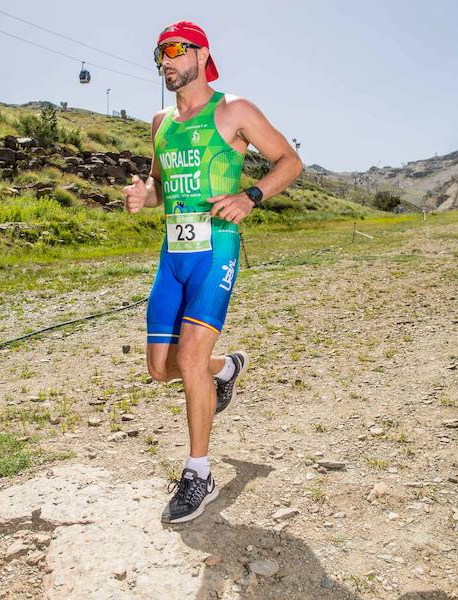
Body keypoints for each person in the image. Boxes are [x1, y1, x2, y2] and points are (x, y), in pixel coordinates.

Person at [123, 21, 303, 523]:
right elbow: (159, 186)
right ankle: (226, 370)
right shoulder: (161, 121)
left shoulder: (234, 110)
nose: (167, 60)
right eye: (160, 53)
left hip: (216, 250)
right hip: (172, 256)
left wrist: (252, 196)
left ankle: (198, 473)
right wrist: (145, 196)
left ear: (202, 55)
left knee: (192, 355)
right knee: (161, 367)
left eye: (177, 50)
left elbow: (290, 161)